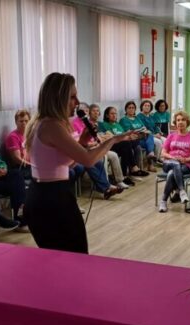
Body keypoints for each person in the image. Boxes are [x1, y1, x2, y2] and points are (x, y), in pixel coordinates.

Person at [23, 72, 135, 254]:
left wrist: (82, 142)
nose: (77, 102)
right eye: (72, 97)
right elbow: (89, 160)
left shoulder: (43, 123)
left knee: (64, 258)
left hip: (46, 196)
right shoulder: (51, 126)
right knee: (75, 255)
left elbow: (65, 163)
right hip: (51, 200)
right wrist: (113, 139)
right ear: (58, 99)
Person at [159, 111, 190, 213]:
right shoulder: (171, 136)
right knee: (174, 165)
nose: (180, 122)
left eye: (183, 120)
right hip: (169, 163)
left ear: (187, 122)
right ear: (175, 122)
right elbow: (163, 153)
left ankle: (163, 201)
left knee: (171, 174)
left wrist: (186, 159)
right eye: (178, 120)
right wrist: (171, 157)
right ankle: (182, 191)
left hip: (185, 165)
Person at [88, 104, 129, 189]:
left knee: (114, 155)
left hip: (102, 146)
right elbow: (97, 138)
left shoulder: (101, 124)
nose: (96, 113)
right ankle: (106, 184)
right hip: (93, 148)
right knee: (104, 158)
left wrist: (103, 137)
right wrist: (102, 137)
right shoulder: (87, 124)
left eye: (97, 111)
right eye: (93, 111)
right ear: (89, 113)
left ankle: (119, 181)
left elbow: (109, 135)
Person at [100, 106, 146, 180]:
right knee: (127, 144)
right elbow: (112, 137)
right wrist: (126, 137)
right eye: (112, 113)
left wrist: (131, 136)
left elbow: (124, 134)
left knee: (128, 147)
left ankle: (125, 175)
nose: (114, 115)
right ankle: (133, 168)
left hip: (122, 145)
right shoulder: (104, 124)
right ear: (107, 115)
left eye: (115, 113)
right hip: (112, 145)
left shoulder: (118, 124)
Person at [120, 101, 158, 171]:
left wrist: (144, 131)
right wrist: (140, 132)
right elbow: (129, 132)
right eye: (129, 108)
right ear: (126, 109)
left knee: (150, 135)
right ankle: (150, 159)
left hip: (142, 138)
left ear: (135, 109)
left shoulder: (137, 118)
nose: (131, 109)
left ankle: (150, 157)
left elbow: (144, 128)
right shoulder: (124, 120)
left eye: (133, 108)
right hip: (134, 140)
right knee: (145, 144)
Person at [137, 99, 165, 171]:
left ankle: (159, 158)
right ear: (142, 107)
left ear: (151, 107)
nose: (147, 107)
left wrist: (159, 132)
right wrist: (154, 135)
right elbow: (144, 129)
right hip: (147, 136)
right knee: (158, 142)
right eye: (145, 105)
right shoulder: (139, 117)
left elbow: (156, 126)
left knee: (165, 140)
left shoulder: (151, 116)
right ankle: (152, 163)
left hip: (154, 134)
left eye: (148, 106)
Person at [5, 109, 33, 180]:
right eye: (21, 121)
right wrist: (33, 165)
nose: (24, 123)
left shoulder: (28, 134)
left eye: (26, 121)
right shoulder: (13, 137)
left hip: (30, 165)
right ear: (16, 122)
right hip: (21, 168)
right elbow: (17, 159)